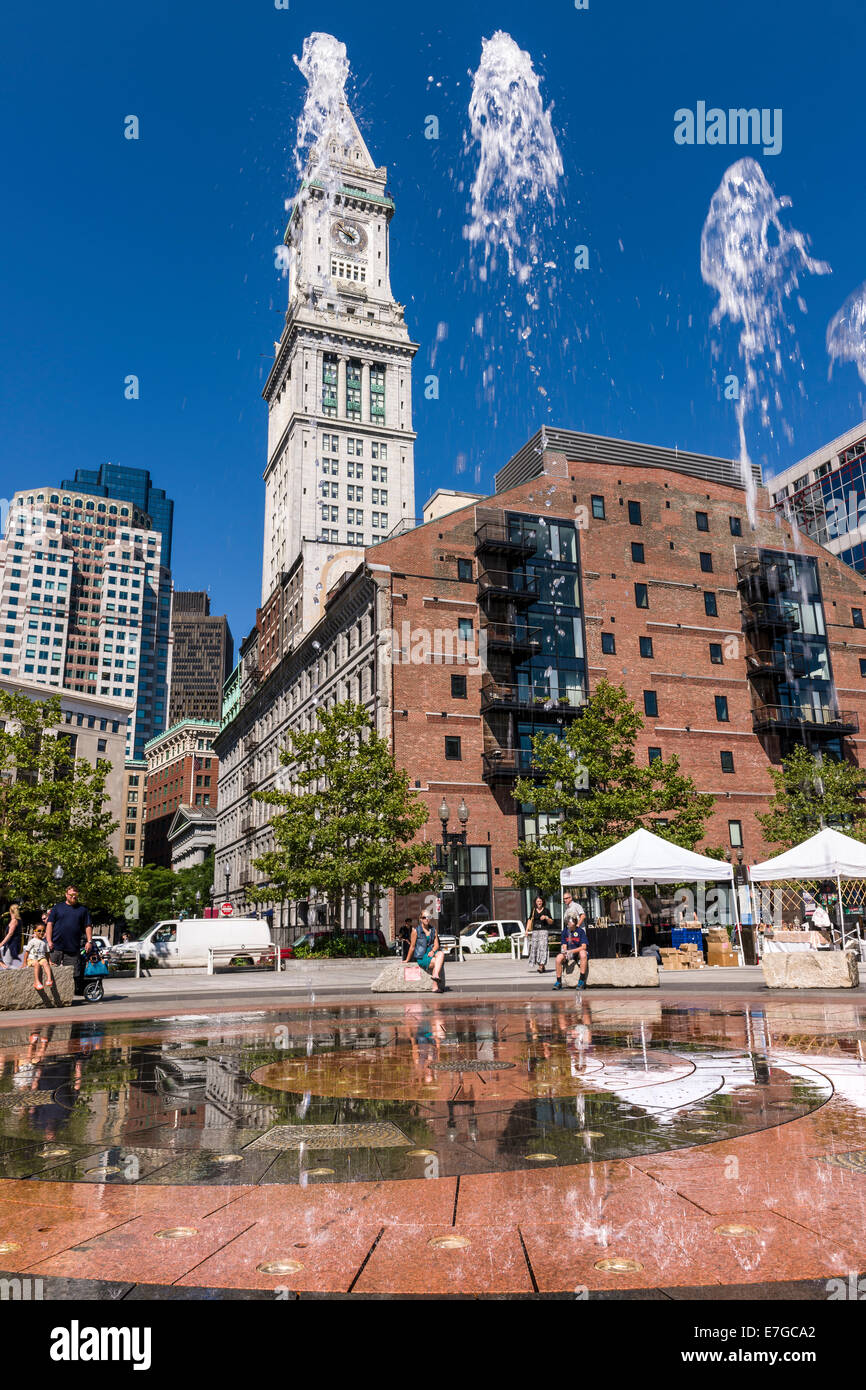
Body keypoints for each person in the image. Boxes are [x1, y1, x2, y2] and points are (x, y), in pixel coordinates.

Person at [46, 885, 93, 996]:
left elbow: (88, 926)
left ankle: (66, 996)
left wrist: (89, 941)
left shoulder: (83, 910)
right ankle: (51, 996)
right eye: (71, 895)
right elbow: (49, 924)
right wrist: (49, 940)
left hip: (73, 947)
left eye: (76, 895)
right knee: (51, 972)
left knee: (72, 974)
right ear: (66, 895)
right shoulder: (57, 908)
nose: (74, 897)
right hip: (55, 946)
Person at [405, 910, 446, 993]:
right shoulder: (416, 931)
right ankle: (435, 986)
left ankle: (435, 975)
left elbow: (437, 945)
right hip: (422, 956)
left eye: (428, 917)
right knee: (437, 962)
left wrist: (433, 951)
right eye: (424, 917)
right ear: (420, 919)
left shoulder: (433, 930)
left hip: (431, 953)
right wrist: (407, 960)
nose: (426, 919)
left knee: (441, 953)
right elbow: (412, 946)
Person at [554, 893, 588, 989]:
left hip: (577, 935)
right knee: (559, 957)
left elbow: (583, 916)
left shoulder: (576, 906)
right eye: (563, 898)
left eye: (566, 898)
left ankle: (581, 981)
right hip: (569, 938)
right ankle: (558, 982)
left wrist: (576, 926)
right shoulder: (567, 909)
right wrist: (565, 952)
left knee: (582, 953)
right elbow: (564, 944)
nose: (564, 900)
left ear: (570, 898)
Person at [23, 922, 54, 994]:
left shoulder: (45, 942)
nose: (41, 932)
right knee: (37, 964)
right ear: (35, 931)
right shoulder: (32, 941)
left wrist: (49, 961)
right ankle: (36, 982)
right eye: (39, 931)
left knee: (45, 963)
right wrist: (24, 963)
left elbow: (47, 953)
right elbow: (27, 952)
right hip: (32, 959)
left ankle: (49, 979)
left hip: (41, 958)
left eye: (43, 931)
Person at [526, 894, 553, 973]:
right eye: (537, 901)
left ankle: (541, 966)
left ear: (542, 902)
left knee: (543, 948)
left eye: (540, 901)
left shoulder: (546, 910)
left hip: (543, 931)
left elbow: (551, 922)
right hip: (535, 931)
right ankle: (541, 965)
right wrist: (526, 930)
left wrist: (546, 917)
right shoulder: (533, 910)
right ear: (535, 902)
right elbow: (530, 920)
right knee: (535, 948)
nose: (539, 902)